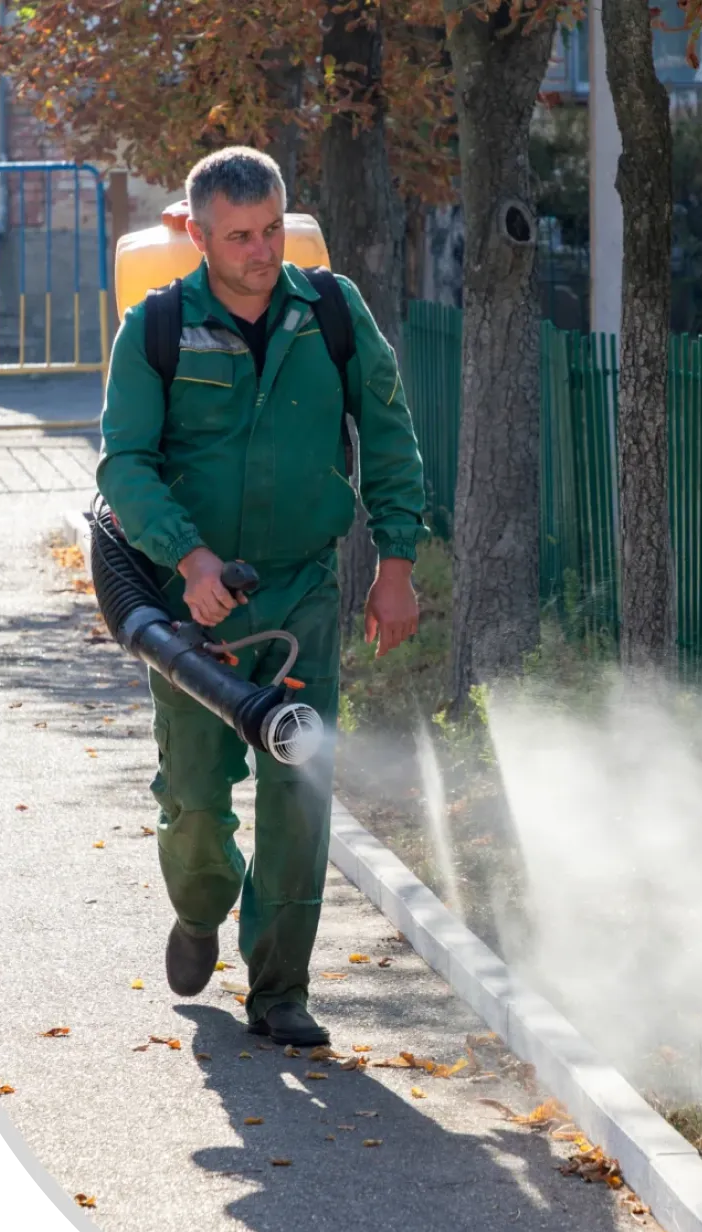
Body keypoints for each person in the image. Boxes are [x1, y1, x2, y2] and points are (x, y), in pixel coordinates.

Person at [96, 146, 428, 1047]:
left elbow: (389, 433)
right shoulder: (158, 327)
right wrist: (190, 561)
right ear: (196, 235)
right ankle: (200, 908)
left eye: (273, 227)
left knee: (298, 790)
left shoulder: (330, 311)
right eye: (239, 234)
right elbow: (123, 462)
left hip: (304, 591)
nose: (260, 249)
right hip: (191, 604)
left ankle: (280, 990)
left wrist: (396, 561)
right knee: (197, 800)